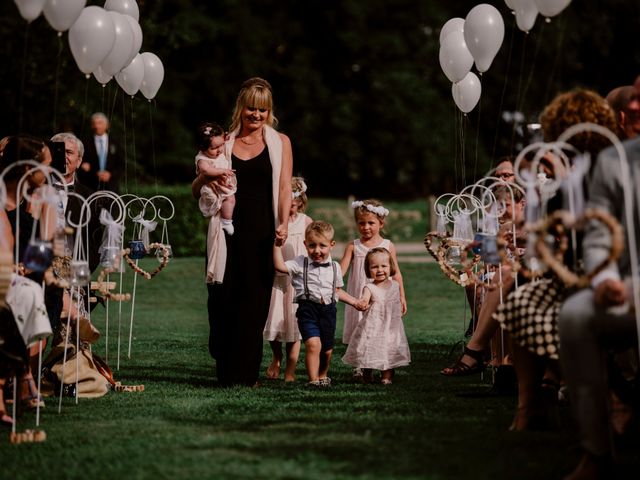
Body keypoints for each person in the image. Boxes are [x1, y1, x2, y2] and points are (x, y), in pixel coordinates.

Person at [192, 77, 292, 387]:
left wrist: (284, 223)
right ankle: (225, 368)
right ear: (242, 108)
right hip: (227, 233)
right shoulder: (225, 143)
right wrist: (201, 184)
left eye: (262, 110)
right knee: (223, 299)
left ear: (269, 111)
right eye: (251, 108)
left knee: (255, 302)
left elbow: (285, 186)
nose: (256, 115)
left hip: (263, 232)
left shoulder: (281, 142)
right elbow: (199, 183)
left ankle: (247, 374)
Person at [558, 135, 640, 479]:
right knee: (576, 314)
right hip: (626, 285)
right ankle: (597, 450)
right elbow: (597, 235)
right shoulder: (614, 160)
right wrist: (604, 276)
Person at [273, 220, 363, 386]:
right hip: (308, 310)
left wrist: (355, 302)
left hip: (328, 311)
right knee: (313, 344)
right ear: (305, 244)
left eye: (322, 246)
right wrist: (277, 246)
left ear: (331, 245)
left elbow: (336, 291)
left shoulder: (335, 267)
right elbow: (279, 267)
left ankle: (322, 375)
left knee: (327, 350)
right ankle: (313, 380)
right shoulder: (300, 263)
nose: (317, 251)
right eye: (312, 246)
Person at [340, 199, 407, 358]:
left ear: (381, 223)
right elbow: (340, 272)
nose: (366, 227)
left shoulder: (388, 245)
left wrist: (402, 297)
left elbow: (396, 273)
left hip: (382, 297)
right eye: (362, 223)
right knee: (359, 327)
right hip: (359, 295)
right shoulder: (353, 246)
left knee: (379, 326)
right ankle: (359, 364)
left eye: (371, 223)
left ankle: (381, 360)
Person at [263, 177, 311, 382]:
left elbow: (314, 246)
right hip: (276, 278)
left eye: (292, 203)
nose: (289, 207)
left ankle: (290, 371)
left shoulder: (306, 221)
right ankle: (276, 356)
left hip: (297, 280)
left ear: (300, 202)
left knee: (294, 324)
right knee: (273, 319)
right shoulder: (274, 220)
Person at [342, 247, 410, 384]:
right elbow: (364, 300)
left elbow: (396, 304)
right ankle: (368, 374)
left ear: (390, 267)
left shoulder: (395, 285)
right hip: (373, 326)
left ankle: (386, 376)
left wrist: (400, 307)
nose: (380, 270)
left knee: (389, 349)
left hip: (391, 326)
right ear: (368, 269)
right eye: (374, 267)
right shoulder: (369, 287)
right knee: (370, 349)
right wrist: (363, 303)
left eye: (384, 266)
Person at [194, 122, 237, 284]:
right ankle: (226, 221)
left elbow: (227, 138)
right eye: (214, 148)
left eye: (221, 145)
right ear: (203, 147)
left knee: (231, 199)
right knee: (228, 199)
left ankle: (227, 219)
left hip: (223, 187)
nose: (219, 150)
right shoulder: (202, 159)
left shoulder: (219, 151)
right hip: (211, 191)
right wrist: (222, 171)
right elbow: (206, 172)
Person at [79, 112, 122, 192]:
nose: (97, 126)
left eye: (100, 123)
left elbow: (120, 163)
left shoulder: (115, 142)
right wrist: (85, 166)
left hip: (111, 186)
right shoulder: (85, 142)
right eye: (94, 124)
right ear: (92, 126)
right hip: (91, 185)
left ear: (107, 125)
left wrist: (111, 175)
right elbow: (80, 160)